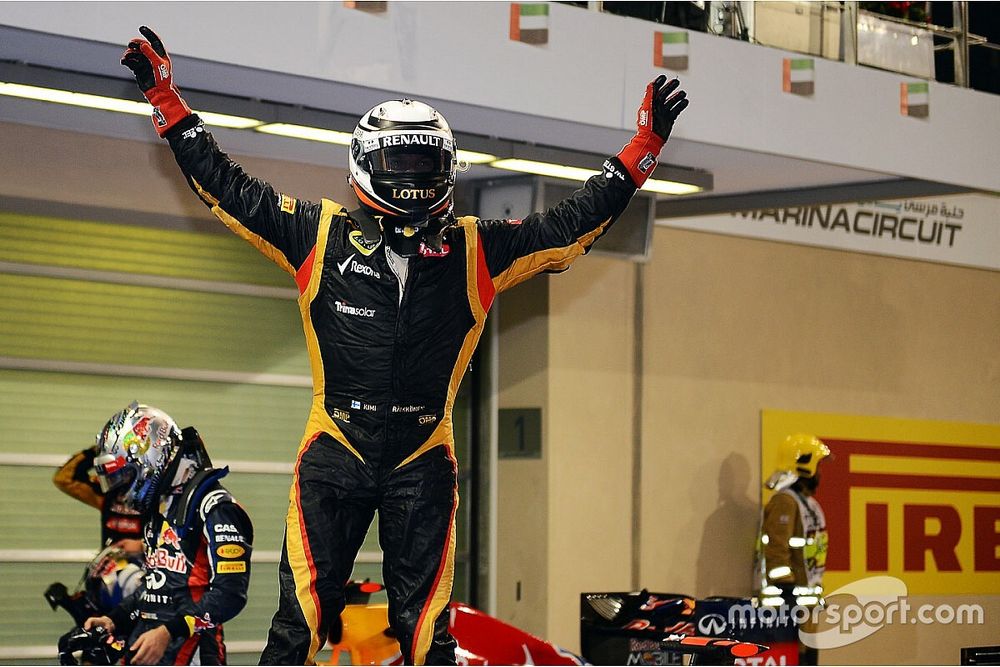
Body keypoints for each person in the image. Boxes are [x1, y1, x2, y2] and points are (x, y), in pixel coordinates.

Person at [120, 25, 688, 666]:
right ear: (368, 163)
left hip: (423, 458)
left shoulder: (478, 248)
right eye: (403, 163)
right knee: (298, 622)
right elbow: (229, 188)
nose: (415, 177)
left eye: (427, 163)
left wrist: (643, 148)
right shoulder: (319, 235)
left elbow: (568, 226)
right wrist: (166, 101)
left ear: (448, 168)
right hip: (333, 449)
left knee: (426, 634)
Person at [83, 402, 253, 665]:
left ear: (149, 456)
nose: (122, 491)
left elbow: (230, 594)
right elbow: (154, 586)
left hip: (193, 651)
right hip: (151, 646)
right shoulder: (162, 508)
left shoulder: (215, 506)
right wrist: (113, 620)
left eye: (125, 476)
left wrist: (168, 631)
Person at [756, 433, 830, 666]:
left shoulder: (807, 503)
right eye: (818, 465)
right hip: (789, 606)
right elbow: (776, 548)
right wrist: (785, 589)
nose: (820, 472)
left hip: (805, 604)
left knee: (808, 659)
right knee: (794, 659)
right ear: (805, 465)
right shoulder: (785, 502)